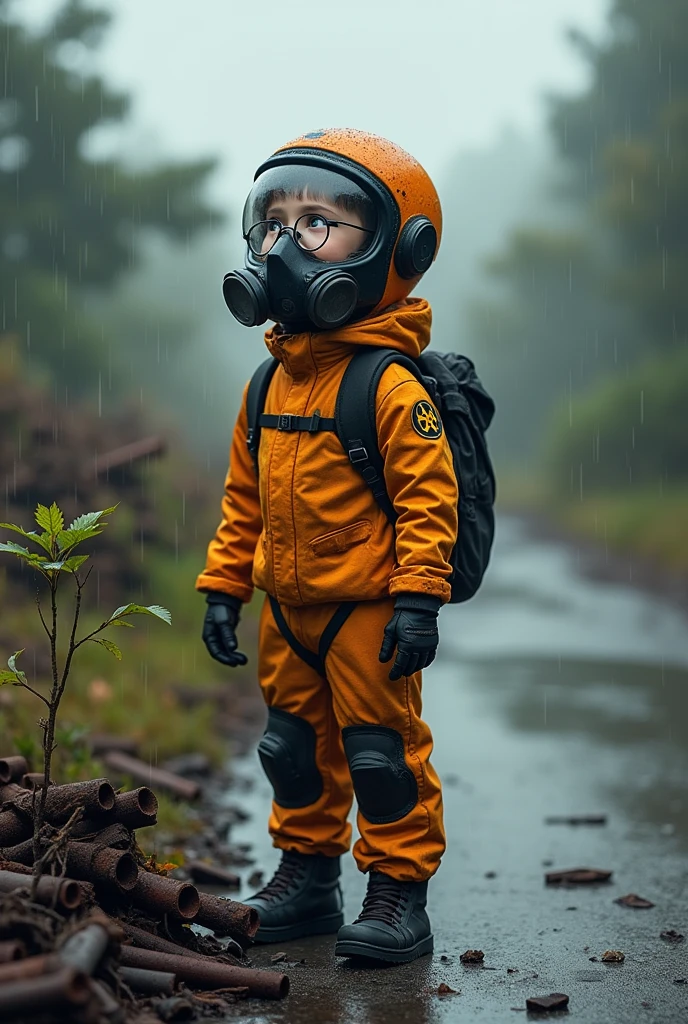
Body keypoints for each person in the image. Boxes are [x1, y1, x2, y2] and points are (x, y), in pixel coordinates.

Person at [196, 128, 458, 964]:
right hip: (288, 611)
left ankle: (397, 893)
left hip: (367, 610)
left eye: (317, 225)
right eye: (273, 224)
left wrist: (418, 600)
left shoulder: (387, 384)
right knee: (291, 749)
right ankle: (307, 878)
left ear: (394, 249)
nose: (286, 245)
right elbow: (246, 498)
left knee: (381, 754)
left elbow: (428, 500)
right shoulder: (268, 382)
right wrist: (223, 586)